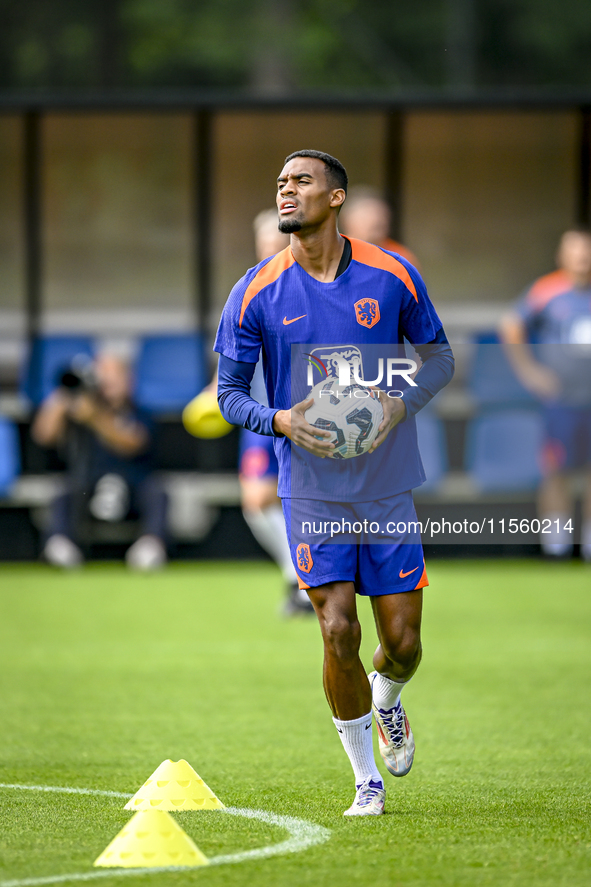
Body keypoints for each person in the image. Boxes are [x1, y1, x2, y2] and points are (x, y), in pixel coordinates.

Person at [214, 150, 454, 816]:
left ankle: (388, 697)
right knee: (336, 629)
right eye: (281, 183)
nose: (287, 191)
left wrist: (397, 403)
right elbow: (229, 393)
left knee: (401, 643)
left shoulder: (391, 274)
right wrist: (280, 419)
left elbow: (439, 358)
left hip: (386, 483)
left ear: (336, 197)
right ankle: (364, 780)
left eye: (302, 182)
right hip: (311, 487)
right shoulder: (255, 290)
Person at [500, 228, 591, 561]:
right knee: (556, 471)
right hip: (561, 401)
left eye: (587, 250)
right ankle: (556, 548)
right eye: (576, 251)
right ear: (562, 255)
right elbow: (511, 325)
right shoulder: (546, 290)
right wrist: (531, 372)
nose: (583, 257)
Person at [240, 210, 314, 615]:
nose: (270, 250)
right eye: (263, 243)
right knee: (256, 500)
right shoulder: (249, 288)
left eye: (276, 241)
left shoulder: (311, 286)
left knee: (302, 499)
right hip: (262, 416)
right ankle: (297, 577)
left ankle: (309, 584)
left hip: (306, 410)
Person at [32, 352, 167, 570]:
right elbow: (43, 436)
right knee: (63, 493)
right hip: (88, 486)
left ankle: (150, 546)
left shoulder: (141, 413)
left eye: (114, 378)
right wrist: (63, 394)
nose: (107, 384)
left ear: (129, 381)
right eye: (102, 378)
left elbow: (132, 442)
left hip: (132, 487)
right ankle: (60, 545)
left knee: (157, 492)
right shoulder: (79, 408)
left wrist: (95, 418)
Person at [339, 185, 421, 271]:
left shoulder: (400, 257)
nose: (378, 221)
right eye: (368, 216)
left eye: (383, 216)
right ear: (346, 221)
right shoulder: (332, 254)